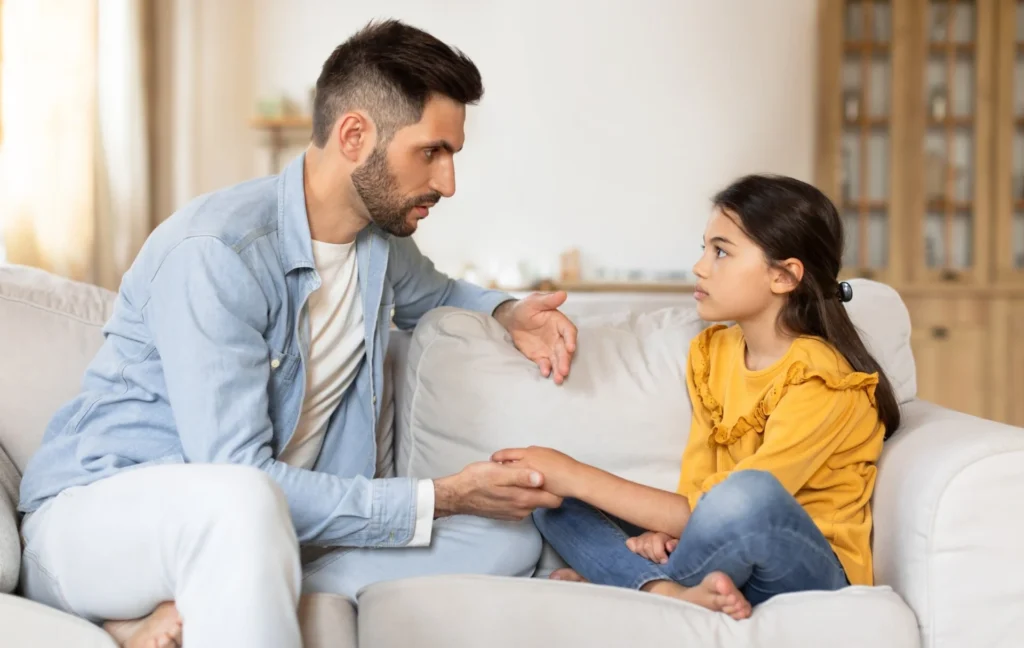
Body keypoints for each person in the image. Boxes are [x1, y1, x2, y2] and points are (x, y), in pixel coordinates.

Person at [17, 19, 578, 648]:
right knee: (244, 502)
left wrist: (508, 312)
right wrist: (439, 495)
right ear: (355, 135)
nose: (448, 182)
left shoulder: (377, 246)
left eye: (452, 154)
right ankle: (164, 599)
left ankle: (214, 598)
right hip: (100, 519)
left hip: (275, 530)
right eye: (431, 152)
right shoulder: (217, 252)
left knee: (508, 535)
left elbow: (443, 295)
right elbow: (231, 472)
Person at [493, 174, 901, 620]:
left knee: (747, 495)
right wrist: (573, 485)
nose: (700, 266)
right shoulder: (714, 353)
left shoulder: (823, 380)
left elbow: (727, 507)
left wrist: (574, 472)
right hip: (720, 550)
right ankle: (667, 591)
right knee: (552, 501)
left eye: (721, 251)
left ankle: (634, 587)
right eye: (704, 248)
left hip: (807, 574)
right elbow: (698, 489)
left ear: (783, 276)